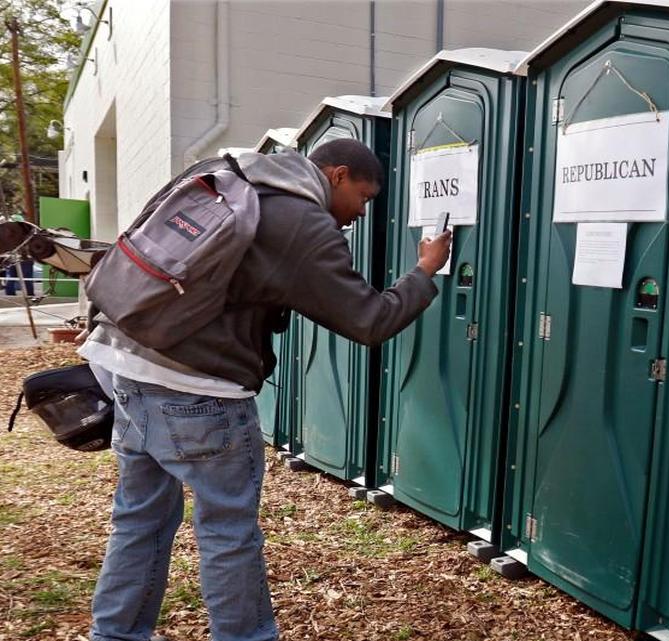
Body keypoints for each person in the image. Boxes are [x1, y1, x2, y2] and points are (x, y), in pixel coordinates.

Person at [79, 139, 451, 641]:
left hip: (126, 369)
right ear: (337, 175)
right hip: (198, 390)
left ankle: (116, 634)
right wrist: (426, 269)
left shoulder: (233, 174)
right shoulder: (302, 222)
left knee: (138, 521)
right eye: (363, 198)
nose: (361, 213)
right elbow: (370, 319)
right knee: (228, 534)